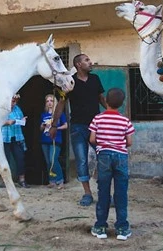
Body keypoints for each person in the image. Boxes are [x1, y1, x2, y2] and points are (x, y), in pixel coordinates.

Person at [50, 54, 107, 206]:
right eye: (87, 60)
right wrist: (54, 125)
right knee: (81, 161)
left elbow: (101, 98)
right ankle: (87, 194)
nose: (90, 62)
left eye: (89, 59)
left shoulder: (95, 79)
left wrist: (112, 114)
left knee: (103, 158)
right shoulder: (70, 82)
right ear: (78, 64)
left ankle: (104, 193)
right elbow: (61, 103)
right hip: (78, 127)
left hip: (96, 126)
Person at [88, 88, 135, 241]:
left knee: (103, 191)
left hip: (104, 156)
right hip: (121, 156)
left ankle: (101, 226)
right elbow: (129, 142)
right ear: (121, 104)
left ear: (106, 102)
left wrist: (104, 143)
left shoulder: (97, 119)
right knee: (121, 192)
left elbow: (92, 139)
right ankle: (122, 228)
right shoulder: (125, 120)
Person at [39, 94, 67, 189]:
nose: (50, 103)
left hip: (56, 139)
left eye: (51, 101)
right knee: (48, 162)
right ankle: (52, 181)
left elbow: (66, 125)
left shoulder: (59, 114)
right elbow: (40, 128)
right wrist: (43, 125)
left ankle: (60, 180)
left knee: (53, 160)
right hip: (45, 139)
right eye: (47, 101)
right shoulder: (44, 115)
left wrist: (55, 128)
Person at [1, 94, 29, 188]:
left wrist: (22, 120)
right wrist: (7, 122)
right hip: (5, 137)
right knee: (5, 159)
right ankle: (6, 181)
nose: (13, 103)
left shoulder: (17, 109)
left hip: (17, 137)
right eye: (12, 101)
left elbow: (21, 119)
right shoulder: (2, 110)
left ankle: (22, 180)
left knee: (20, 158)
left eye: (15, 101)